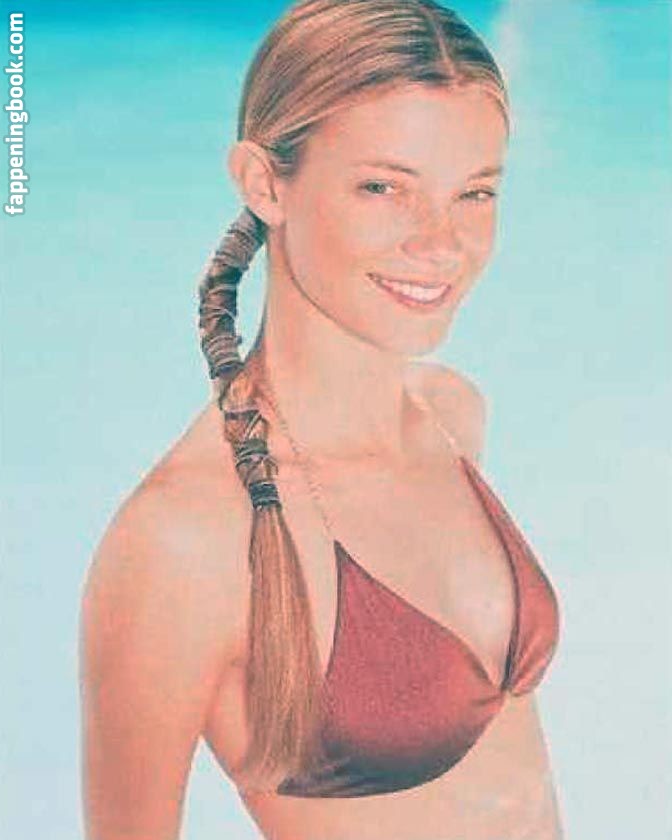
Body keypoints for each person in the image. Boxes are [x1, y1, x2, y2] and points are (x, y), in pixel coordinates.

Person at [80, 1, 563, 837]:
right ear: (265, 182)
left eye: (474, 192)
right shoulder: (182, 543)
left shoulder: (449, 415)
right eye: (384, 187)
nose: (441, 243)